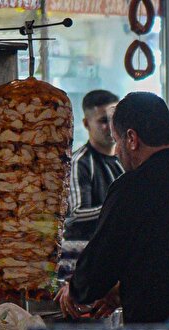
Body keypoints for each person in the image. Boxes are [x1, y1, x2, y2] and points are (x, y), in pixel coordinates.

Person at [57, 92, 169, 323]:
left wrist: (75, 290)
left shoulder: (130, 189)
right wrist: (121, 293)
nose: (118, 152)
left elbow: (99, 265)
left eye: (117, 141)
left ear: (131, 138)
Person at [65, 90, 124, 245]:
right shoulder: (80, 163)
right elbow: (75, 215)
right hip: (86, 254)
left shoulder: (126, 159)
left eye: (114, 119)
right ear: (86, 124)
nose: (111, 127)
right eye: (103, 121)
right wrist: (119, 207)